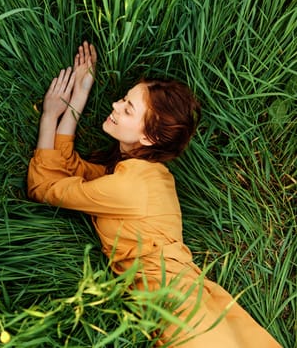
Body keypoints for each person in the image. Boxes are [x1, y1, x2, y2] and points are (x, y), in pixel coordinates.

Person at [27, 41, 281, 347]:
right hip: (188, 299)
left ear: (149, 136)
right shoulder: (142, 173)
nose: (115, 106)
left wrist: (49, 115)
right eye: (123, 99)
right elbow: (70, 169)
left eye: (128, 108)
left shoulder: (130, 185)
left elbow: (43, 186)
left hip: (180, 308)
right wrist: (76, 99)